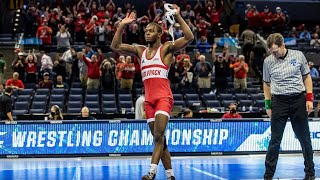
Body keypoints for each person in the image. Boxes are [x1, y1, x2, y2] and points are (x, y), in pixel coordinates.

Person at [111, 5, 194, 180]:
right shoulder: (140, 50)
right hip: (148, 100)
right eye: (146, 31)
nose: (147, 33)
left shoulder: (165, 49)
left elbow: (189, 37)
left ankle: (151, 174)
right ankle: (171, 176)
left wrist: (178, 16)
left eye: (151, 31)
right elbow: (115, 45)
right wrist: (123, 24)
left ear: (159, 34)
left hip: (164, 97)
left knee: (158, 136)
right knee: (160, 141)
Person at [263, 33, 315, 180]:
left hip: (298, 99)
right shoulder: (268, 61)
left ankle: (310, 174)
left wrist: (309, 99)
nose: (273, 54)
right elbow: (266, 83)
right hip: (279, 102)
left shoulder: (298, 56)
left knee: (304, 139)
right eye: (271, 51)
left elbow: (307, 77)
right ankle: (268, 176)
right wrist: (268, 104)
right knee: (275, 140)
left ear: (283, 45)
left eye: (275, 51)